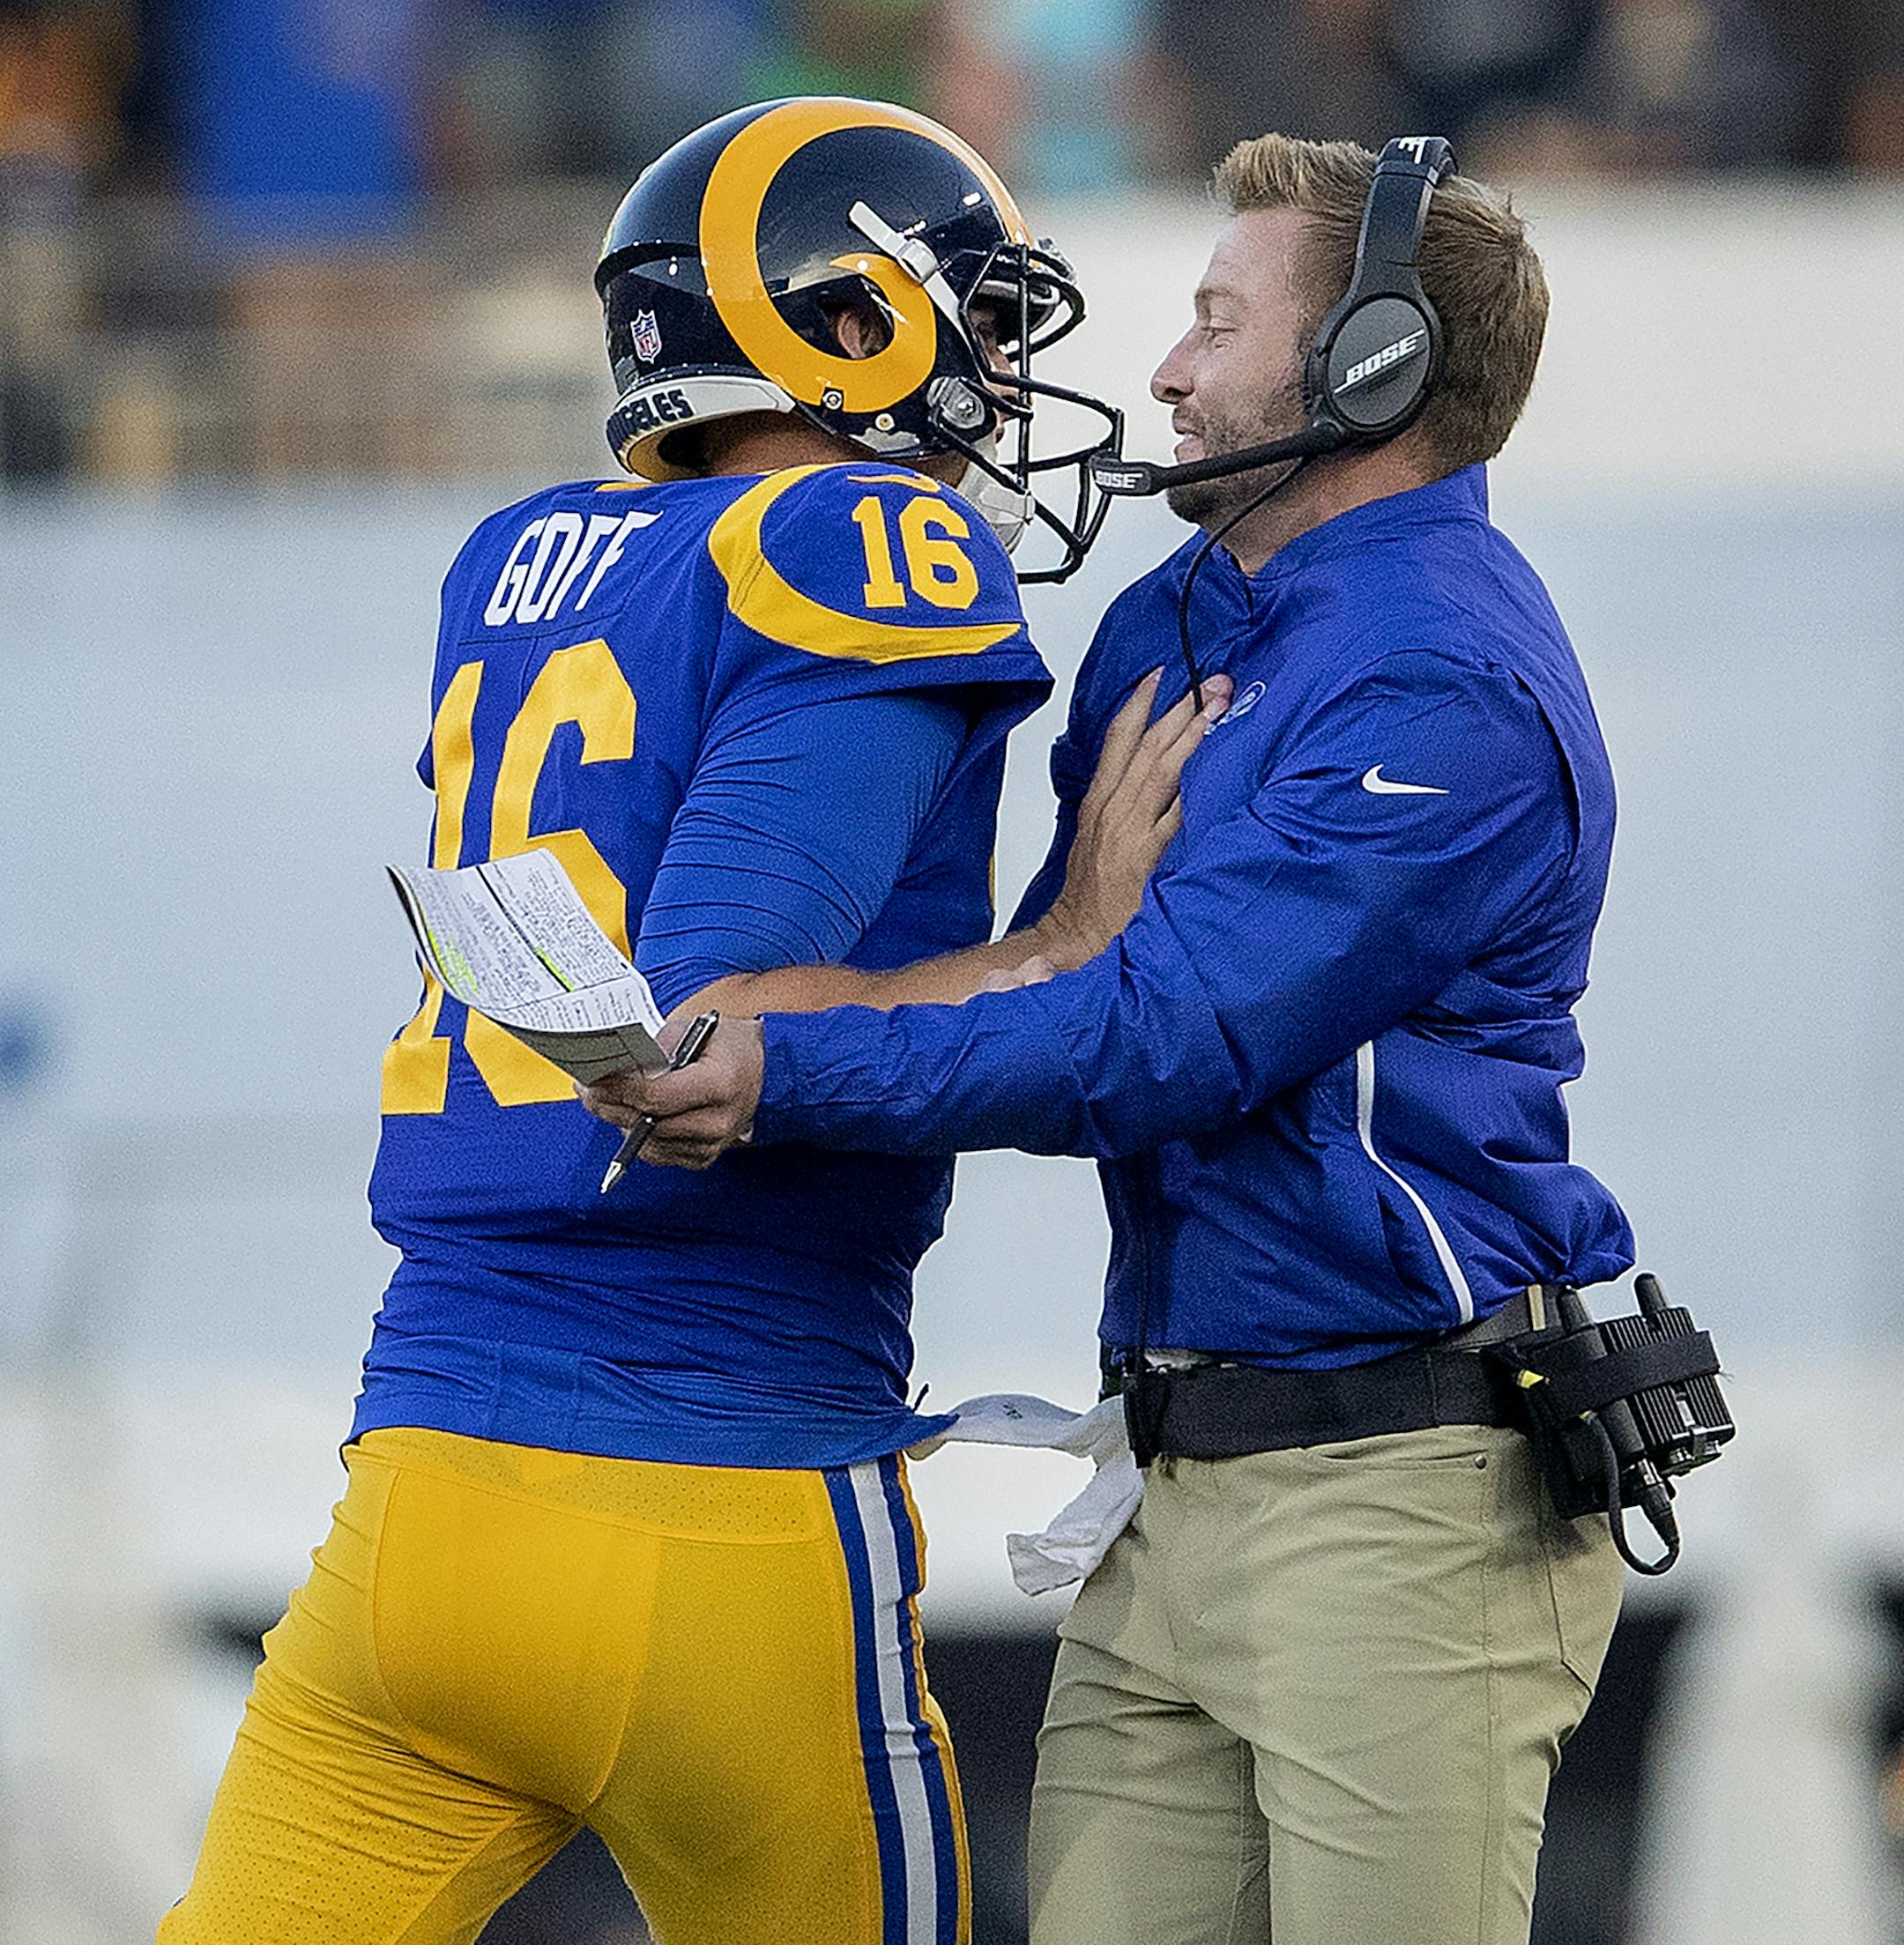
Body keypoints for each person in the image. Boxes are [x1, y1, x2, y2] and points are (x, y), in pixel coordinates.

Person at [158, 96, 1218, 1945]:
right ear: (845, 317)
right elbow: (703, 1025)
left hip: (417, 1500)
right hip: (707, 1490)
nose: (993, 373)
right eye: (968, 314)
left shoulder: (524, 553)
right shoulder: (870, 540)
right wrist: (1071, 938)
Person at [584, 131, 1637, 1945]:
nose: (1164, 370)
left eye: (1217, 320)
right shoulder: (1170, 623)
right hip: (1179, 1461)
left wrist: (780, 1064)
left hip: (1400, 1486)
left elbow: (1158, 1038)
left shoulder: (1439, 680)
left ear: (1372, 365)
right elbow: (1069, 977)